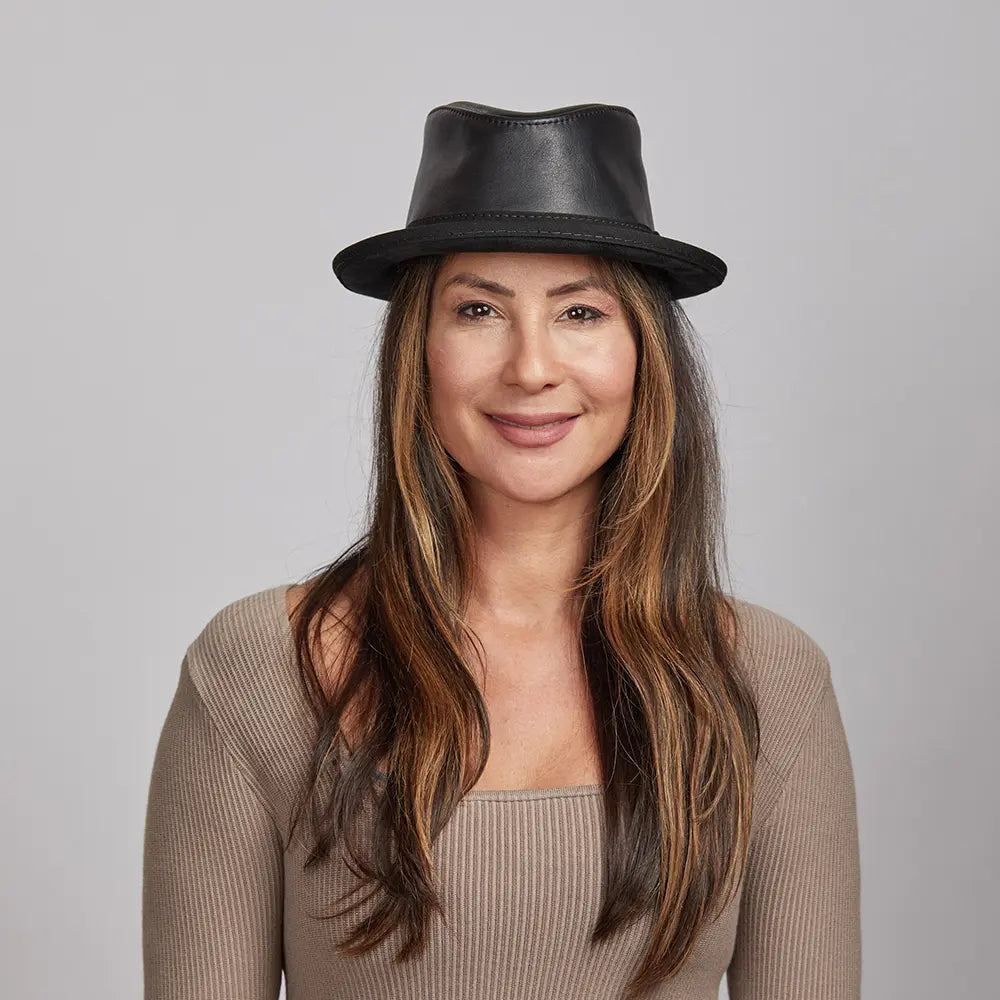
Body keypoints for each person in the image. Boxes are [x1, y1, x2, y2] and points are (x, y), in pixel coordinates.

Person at [142, 102, 861, 999]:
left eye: (581, 313)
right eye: (479, 309)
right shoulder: (262, 667)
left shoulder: (766, 678)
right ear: (419, 352)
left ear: (645, 353)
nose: (530, 367)